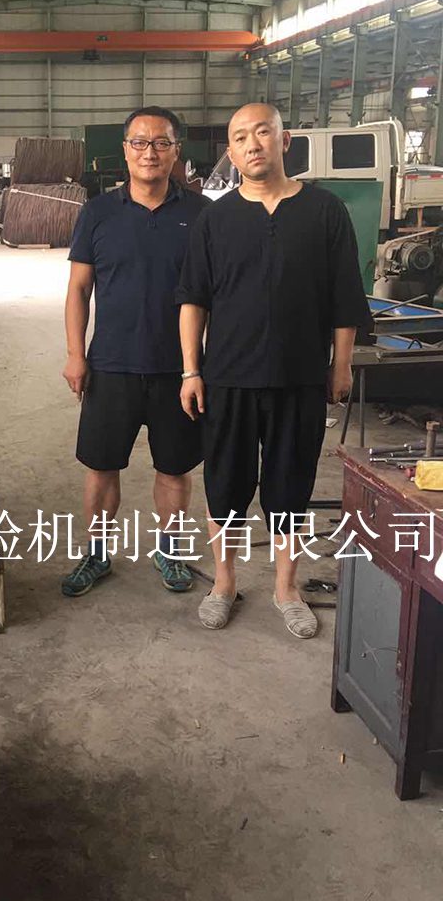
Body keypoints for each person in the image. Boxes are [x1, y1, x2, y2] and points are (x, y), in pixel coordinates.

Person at [177, 102, 371, 637]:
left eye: (263, 132)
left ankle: (287, 588)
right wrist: (192, 371)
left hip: (300, 377)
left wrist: (341, 366)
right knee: (225, 486)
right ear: (231, 151)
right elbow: (193, 299)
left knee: (290, 487)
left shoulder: (325, 211)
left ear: (285, 141)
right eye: (240, 137)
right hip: (228, 377)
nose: (252, 144)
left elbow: (344, 296)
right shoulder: (215, 218)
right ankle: (223, 583)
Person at [61, 106, 207, 597]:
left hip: (178, 370)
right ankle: (97, 553)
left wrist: (200, 368)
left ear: (176, 151)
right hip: (111, 365)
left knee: (174, 468)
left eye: (161, 143)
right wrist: (76, 354)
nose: (150, 152)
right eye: (140, 142)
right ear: (125, 150)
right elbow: (78, 290)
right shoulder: (98, 213)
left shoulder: (200, 214)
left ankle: (169, 551)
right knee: (101, 467)